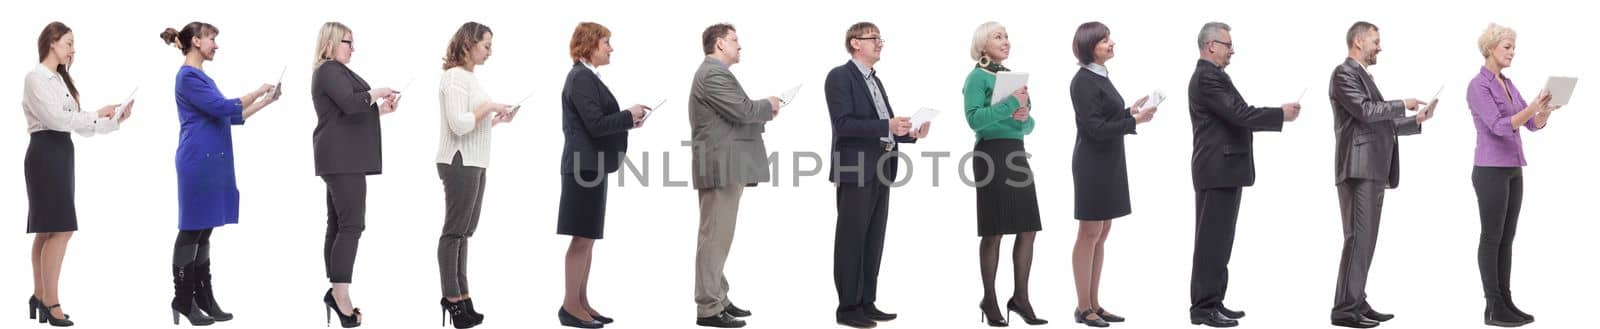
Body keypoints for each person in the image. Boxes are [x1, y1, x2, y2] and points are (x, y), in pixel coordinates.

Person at [160, 21, 279, 326]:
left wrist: (266, 102)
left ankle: (205, 298)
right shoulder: (187, 77)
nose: (216, 44)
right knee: (191, 229)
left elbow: (228, 115)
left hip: (212, 162)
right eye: (212, 39)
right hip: (197, 162)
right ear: (196, 41)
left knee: (205, 228)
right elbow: (223, 106)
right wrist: (258, 90)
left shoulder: (202, 77)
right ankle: (183, 300)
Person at [1185, 22, 1301, 328]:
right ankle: (1203, 308)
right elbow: (1241, 114)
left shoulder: (1215, 76)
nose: (1231, 50)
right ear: (1211, 45)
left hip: (1225, 170)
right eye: (1227, 44)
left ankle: (1215, 301)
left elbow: (1237, 114)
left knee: (1221, 241)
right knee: (1211, 242)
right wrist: (1280, 114)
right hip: (1216, 170)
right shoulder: (1207, 78)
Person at [23, 21, 132, 328]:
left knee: (48, 229)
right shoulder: (35, 78)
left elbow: (79, 127)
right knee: (59, 228)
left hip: (61, 153)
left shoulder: (59, 80)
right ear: (52, 42)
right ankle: (50, 301)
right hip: (45, 153)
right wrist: (96, 113)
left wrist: (114, 119)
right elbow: (56, 119)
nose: (73, 49)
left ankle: (40, 296)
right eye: (68, 42)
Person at [1326, 21, 1434, 329]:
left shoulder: (1360, 76)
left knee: (1366, 239)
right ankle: (1345, 309)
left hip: (1371, 167)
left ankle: (1356, 300)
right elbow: (1365, 111)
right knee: (1359, 238)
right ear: (1358, 41)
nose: (1380, 46)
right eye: (1376, 40)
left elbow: (1376, 123)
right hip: (1358, 168)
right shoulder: (1344, 73)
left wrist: (1416, 120)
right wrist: (1401, 104)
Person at [823, 22, 928, 329]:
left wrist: (910, 134)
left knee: (873, 239)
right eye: (874, 38)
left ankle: (867, 302)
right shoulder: (839, 77)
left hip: (882, 166)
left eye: (881, 38)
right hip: (854, 167)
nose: (880, 43)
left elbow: (885, 125)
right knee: (851, 239)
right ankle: (847, 308)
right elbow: (843, 124)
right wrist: (887, 127)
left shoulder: (874, 80)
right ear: (855, 43)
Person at [688, 23, 783, 328]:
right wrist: (768, 105)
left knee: (719, 238)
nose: (739, 45)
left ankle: (719, 297)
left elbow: (735, 116)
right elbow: (742, 111)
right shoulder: (712, 74)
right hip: (721, 167)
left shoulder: (718, 74)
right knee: (714, 238)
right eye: (734, 40)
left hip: (729, 166)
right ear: (718, 44)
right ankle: (708, 308)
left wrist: (764, 111)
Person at [556, 21, 649, 329]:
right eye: (606, 42)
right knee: (581, 237)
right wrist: (627, 115)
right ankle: (570, 306)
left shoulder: (586, 77)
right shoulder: (580, 78)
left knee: (589, 237)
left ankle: (581, 303)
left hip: (591, 166)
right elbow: (596, 124)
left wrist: (628, 121)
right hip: (583, 167)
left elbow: (597, 121)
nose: (611, 48)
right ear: (590, 44)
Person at [310, 21, 401, 329]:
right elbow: (351, 104)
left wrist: (381, 110)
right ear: (332, 41)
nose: (352, 47)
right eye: (348, 41)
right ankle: (340, 295)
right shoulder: (328, 70)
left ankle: (336, 290)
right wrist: (377, 92)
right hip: (342, 159)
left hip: (341, 157)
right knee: (352, 225)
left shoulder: (337, 72)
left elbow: (347, 111)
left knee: (338, 224)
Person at [1466, 23, 1557, 328]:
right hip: (1490, 170)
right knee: (1491, 237)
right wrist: (1532, 108)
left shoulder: (1508, 83)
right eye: (1507, 47)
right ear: (1490, 48)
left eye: (1513, 48)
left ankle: (1506, 301)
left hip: (1513, 167)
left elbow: (1530, 125)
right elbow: (1500, 125)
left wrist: (1543, 112)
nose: (1512, 53)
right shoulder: (1477, 86)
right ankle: (1492, 306)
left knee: (1507, 238)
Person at [1066, 21, 1154, 328]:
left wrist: (1130, 112)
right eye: (1104, 40)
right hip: (1092, 164)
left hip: (1110, 162)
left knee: (1102, 234)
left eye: (1109, 38)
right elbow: (1093, 128)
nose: (1111, 43)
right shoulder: (1082, 81)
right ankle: (1082, 307)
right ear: (1091, 47)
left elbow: (1106, 117)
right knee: (1088, 233)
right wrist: (1135, 122)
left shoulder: (1101, 76)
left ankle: (1094, 303)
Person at [962, 21, 1043, 327]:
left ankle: (1020, 298)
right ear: (983, 44)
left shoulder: (1012, 78)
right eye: (998, 36)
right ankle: (989, 299)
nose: (1006, 41)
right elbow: (975, 120)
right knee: (994, 229)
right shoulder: (976, 78)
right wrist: (1012, 104)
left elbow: (1029, 125)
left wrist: (1023, 115)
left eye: (1007, 36)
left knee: (1028, 227)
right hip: (991, 155)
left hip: (1016, 152)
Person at [435, 21, 512, 329]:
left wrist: (497, 120)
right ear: (468, 44)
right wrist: (490, 107)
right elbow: (459, 124)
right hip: (459, 161)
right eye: (486, 45)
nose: (490, 52)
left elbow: (473, 125)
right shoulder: (454, 77)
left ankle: (463, 296)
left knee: (465, 233)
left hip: (475, 160)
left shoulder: (469, 78)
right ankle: (451, 299)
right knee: (454, 232)